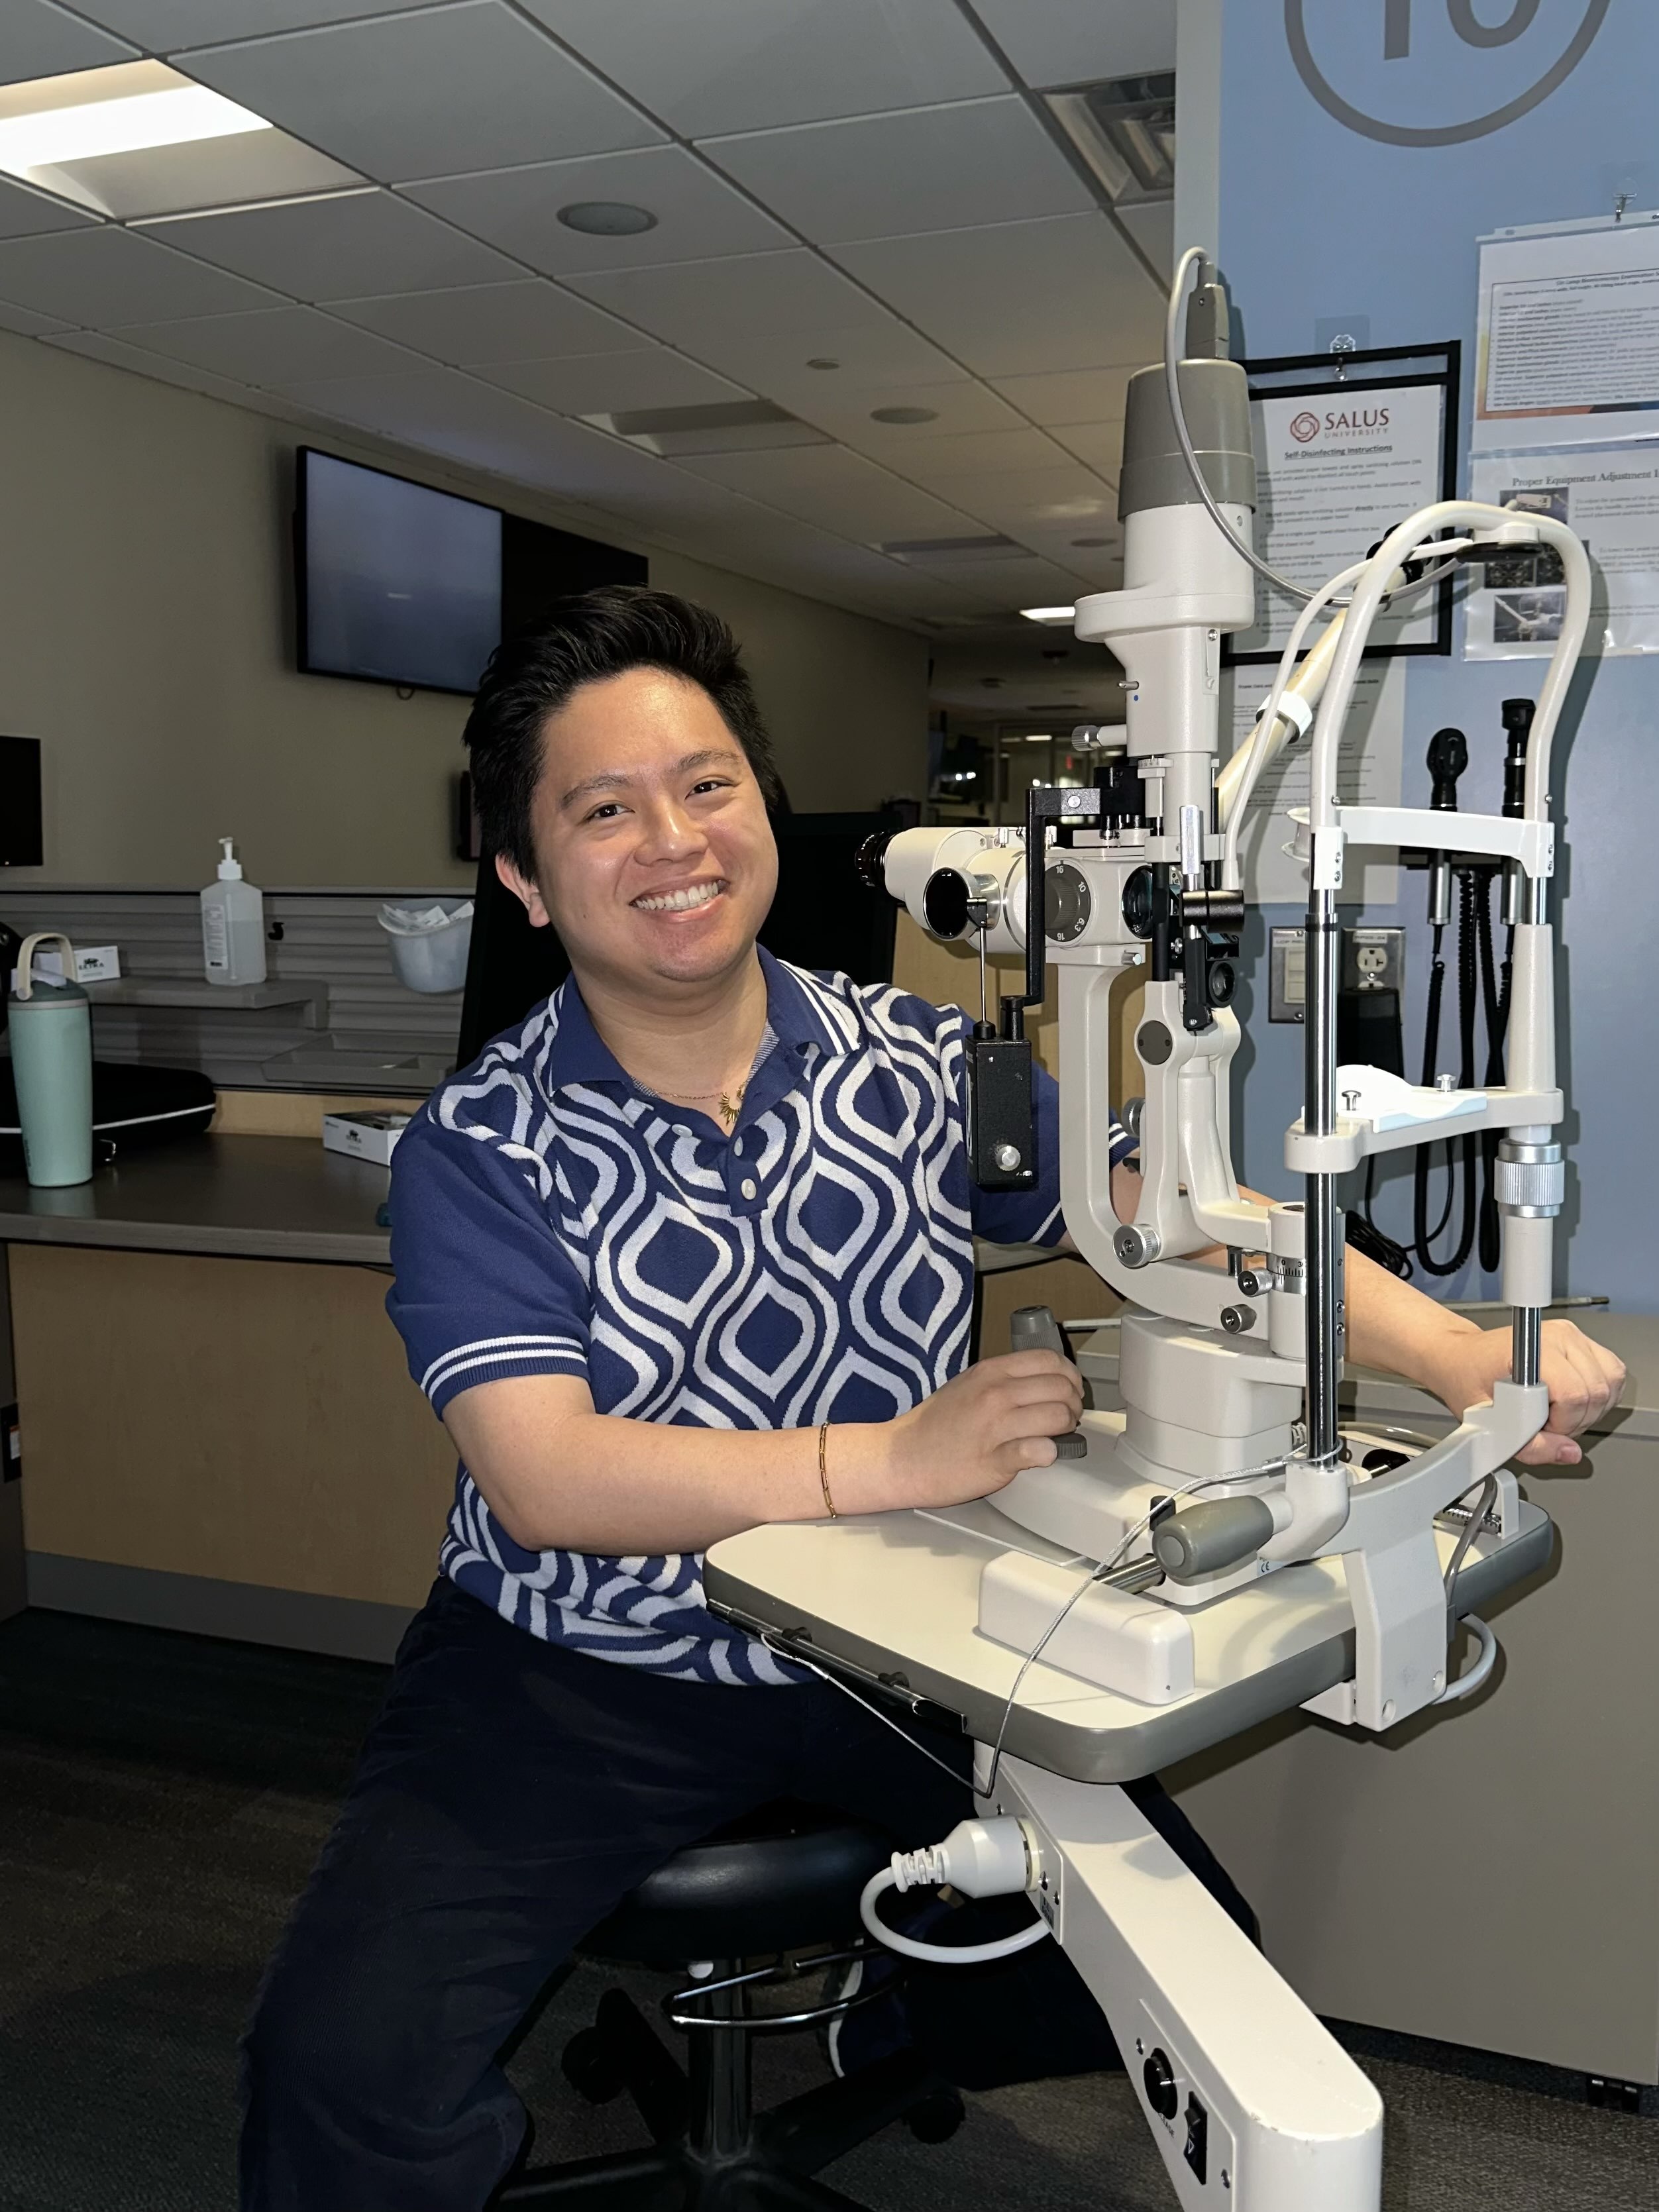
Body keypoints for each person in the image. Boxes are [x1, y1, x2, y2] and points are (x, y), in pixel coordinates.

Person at [239, 588, 1624, 2211]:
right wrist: (887, 1453)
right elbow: (549, 1475)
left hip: (891, 1638)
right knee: (338, 2081)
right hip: (579, 1660)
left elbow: (1184, 1212)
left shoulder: (916, 1067)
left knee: (1177, 1966)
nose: (672, 839)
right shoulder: (482, 1148)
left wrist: (1461, 1357)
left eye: (707, 786)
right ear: (526, 878)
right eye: (601, 809)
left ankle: (876, 2018)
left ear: (762, 808)